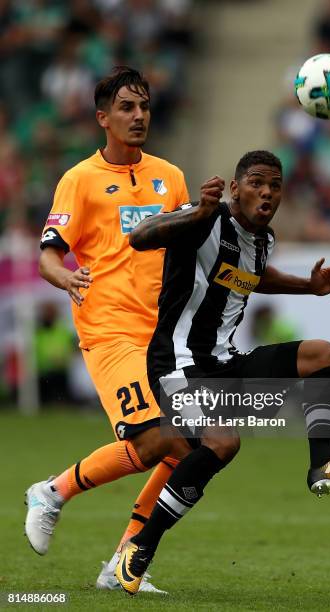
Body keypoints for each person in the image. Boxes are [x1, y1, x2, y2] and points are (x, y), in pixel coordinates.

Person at [116, 150, 330, 595]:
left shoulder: (264, 240)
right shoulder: (204, 220)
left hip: (224, 364)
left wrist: (309, 287)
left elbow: (254, 276)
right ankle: (139, 546)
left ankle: (323, 464)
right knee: (223, 441)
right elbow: (141, 238)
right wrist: (199, 211)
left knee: (325, 354)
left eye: (275, 185)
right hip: (176, 363)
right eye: (258, 182)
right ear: (235, 189)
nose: (267, 192)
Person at [25, 66, 194, 593]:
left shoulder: (171, 176)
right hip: (109, 331)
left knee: (189, 450)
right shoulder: (80, 179)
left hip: (161, 338)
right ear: (103, 118)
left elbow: (189, 247)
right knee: (154, 438)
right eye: (126, 107)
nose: (138, 115)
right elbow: (49, 254)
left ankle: (122, 562)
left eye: (143, 106)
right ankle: (53, 492)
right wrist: (66, 278)